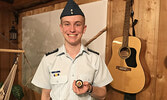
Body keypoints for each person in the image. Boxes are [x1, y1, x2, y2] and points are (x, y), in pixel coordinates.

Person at [31, 0, 113, 100]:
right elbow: (46, 95)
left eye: (77, 24)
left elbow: (103, 94)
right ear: (61, 28)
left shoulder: (95, 59)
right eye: (67, 24)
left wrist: (89, 88)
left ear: (84, 28)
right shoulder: (49, 59)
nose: (72, 29)